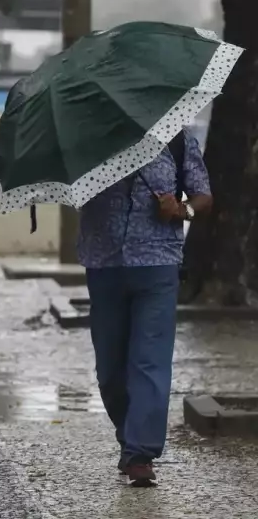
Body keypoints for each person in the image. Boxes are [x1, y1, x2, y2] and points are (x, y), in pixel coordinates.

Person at [77, 127, 212, 486]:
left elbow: (203, 197)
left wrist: (182, 210)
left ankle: (141, 453)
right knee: (109, 370)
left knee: (149, 360)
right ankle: (130, 436)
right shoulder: (90, 139)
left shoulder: (176, 138)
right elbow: (71, 190)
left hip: (157, 264)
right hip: (103, 263)